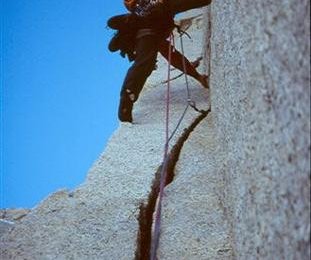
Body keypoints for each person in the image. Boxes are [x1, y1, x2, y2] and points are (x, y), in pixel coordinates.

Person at [110, 0, 212, 122]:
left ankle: (127, 98)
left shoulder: (152, 25)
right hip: (152, 24)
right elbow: (173, 57)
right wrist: (197, 76)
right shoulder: (153, 23)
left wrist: (198, 77)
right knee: (146, 63)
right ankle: (127, 98)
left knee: (146, 63)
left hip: (151, 24)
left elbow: (173, 56)